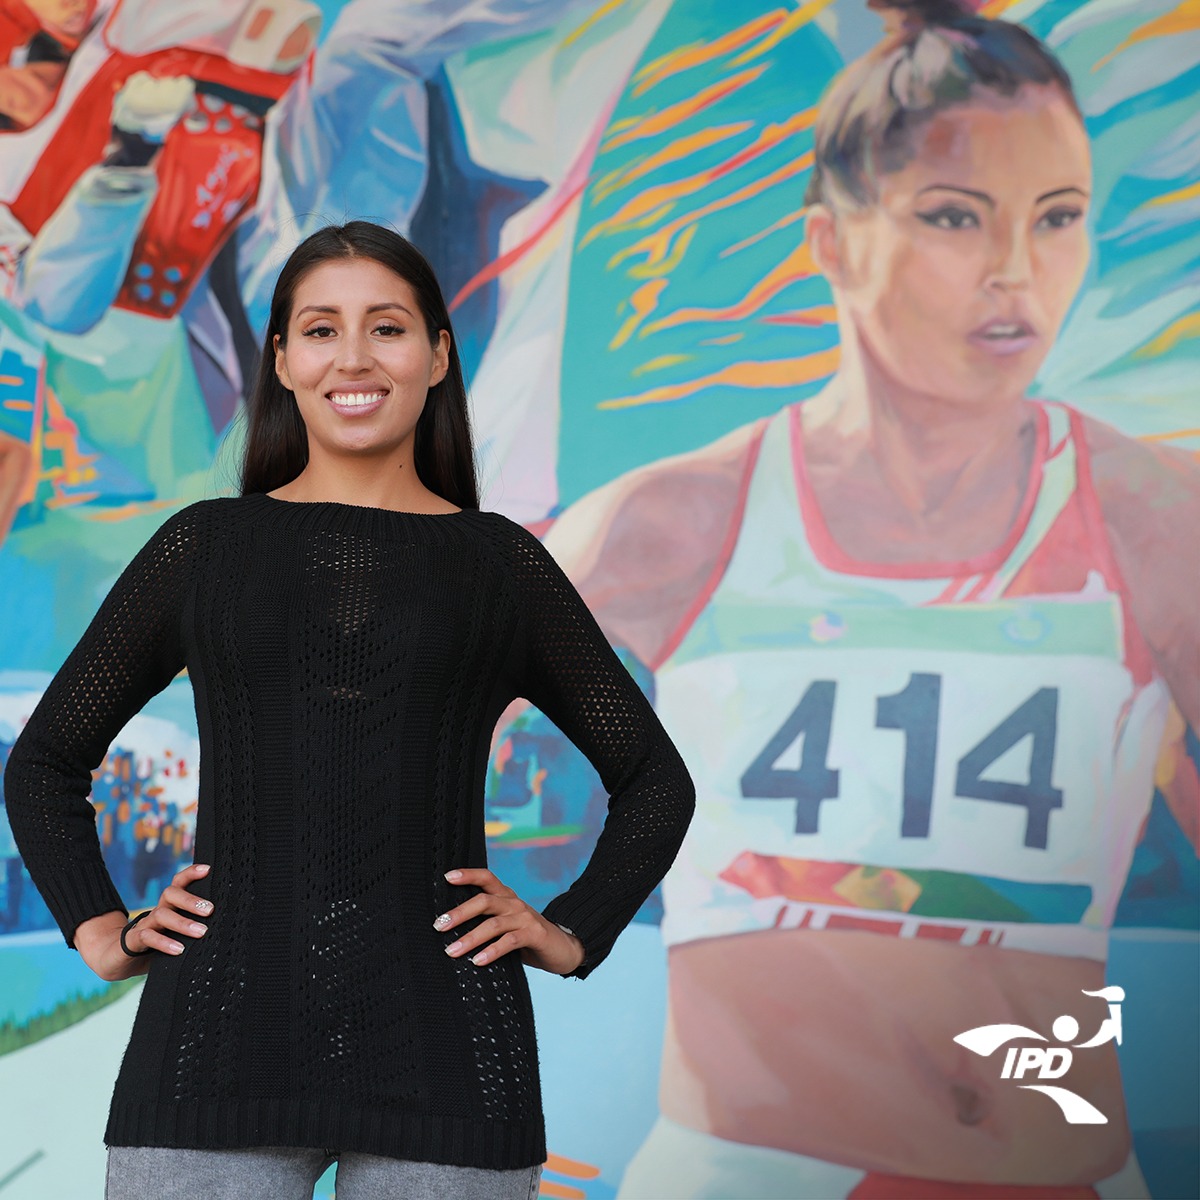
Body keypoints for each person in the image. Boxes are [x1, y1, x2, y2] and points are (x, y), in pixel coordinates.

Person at [529, 2, 1199, 1197]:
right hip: (746, 1169)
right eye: (955, 217)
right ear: (831, 241)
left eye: (1059, 219)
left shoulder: (1158, 519)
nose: (1015, 272)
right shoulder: (669, 528)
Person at [3, 219, 695, 1199]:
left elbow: (653, 782)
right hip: (210, 1055)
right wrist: (97, 928)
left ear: (437, 356)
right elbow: (43, 762)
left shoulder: (501, 567)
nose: (355, 358)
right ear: (282, 359)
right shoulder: (204, 549)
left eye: (388, 327)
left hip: (453, 1062)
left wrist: (570, 931)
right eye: (321, 330)